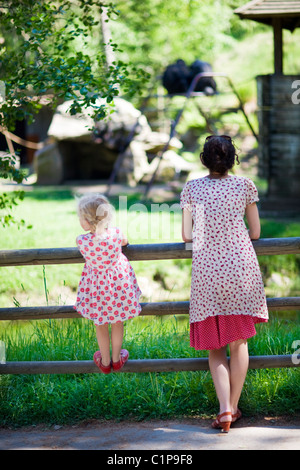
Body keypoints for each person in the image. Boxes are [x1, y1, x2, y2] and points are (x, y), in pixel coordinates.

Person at [180, 135, 268, 432]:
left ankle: (225, 409)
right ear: (233, 160)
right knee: (238, 341)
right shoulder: (245, 185)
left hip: (207, 272)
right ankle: (233, 406)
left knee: (215, 347)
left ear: (204, 160)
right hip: (241, 268)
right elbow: (255, 232)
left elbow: (187, 235)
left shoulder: (192, 188)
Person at [74, 193, 142, 373]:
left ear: (87, 221)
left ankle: (104, 362)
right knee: (117, 321)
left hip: (97, 288)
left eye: (80, 217)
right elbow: (125, 242)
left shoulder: (82, 241)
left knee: (100, 323)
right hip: (117, 286)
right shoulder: (116, 234)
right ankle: (116, 359)